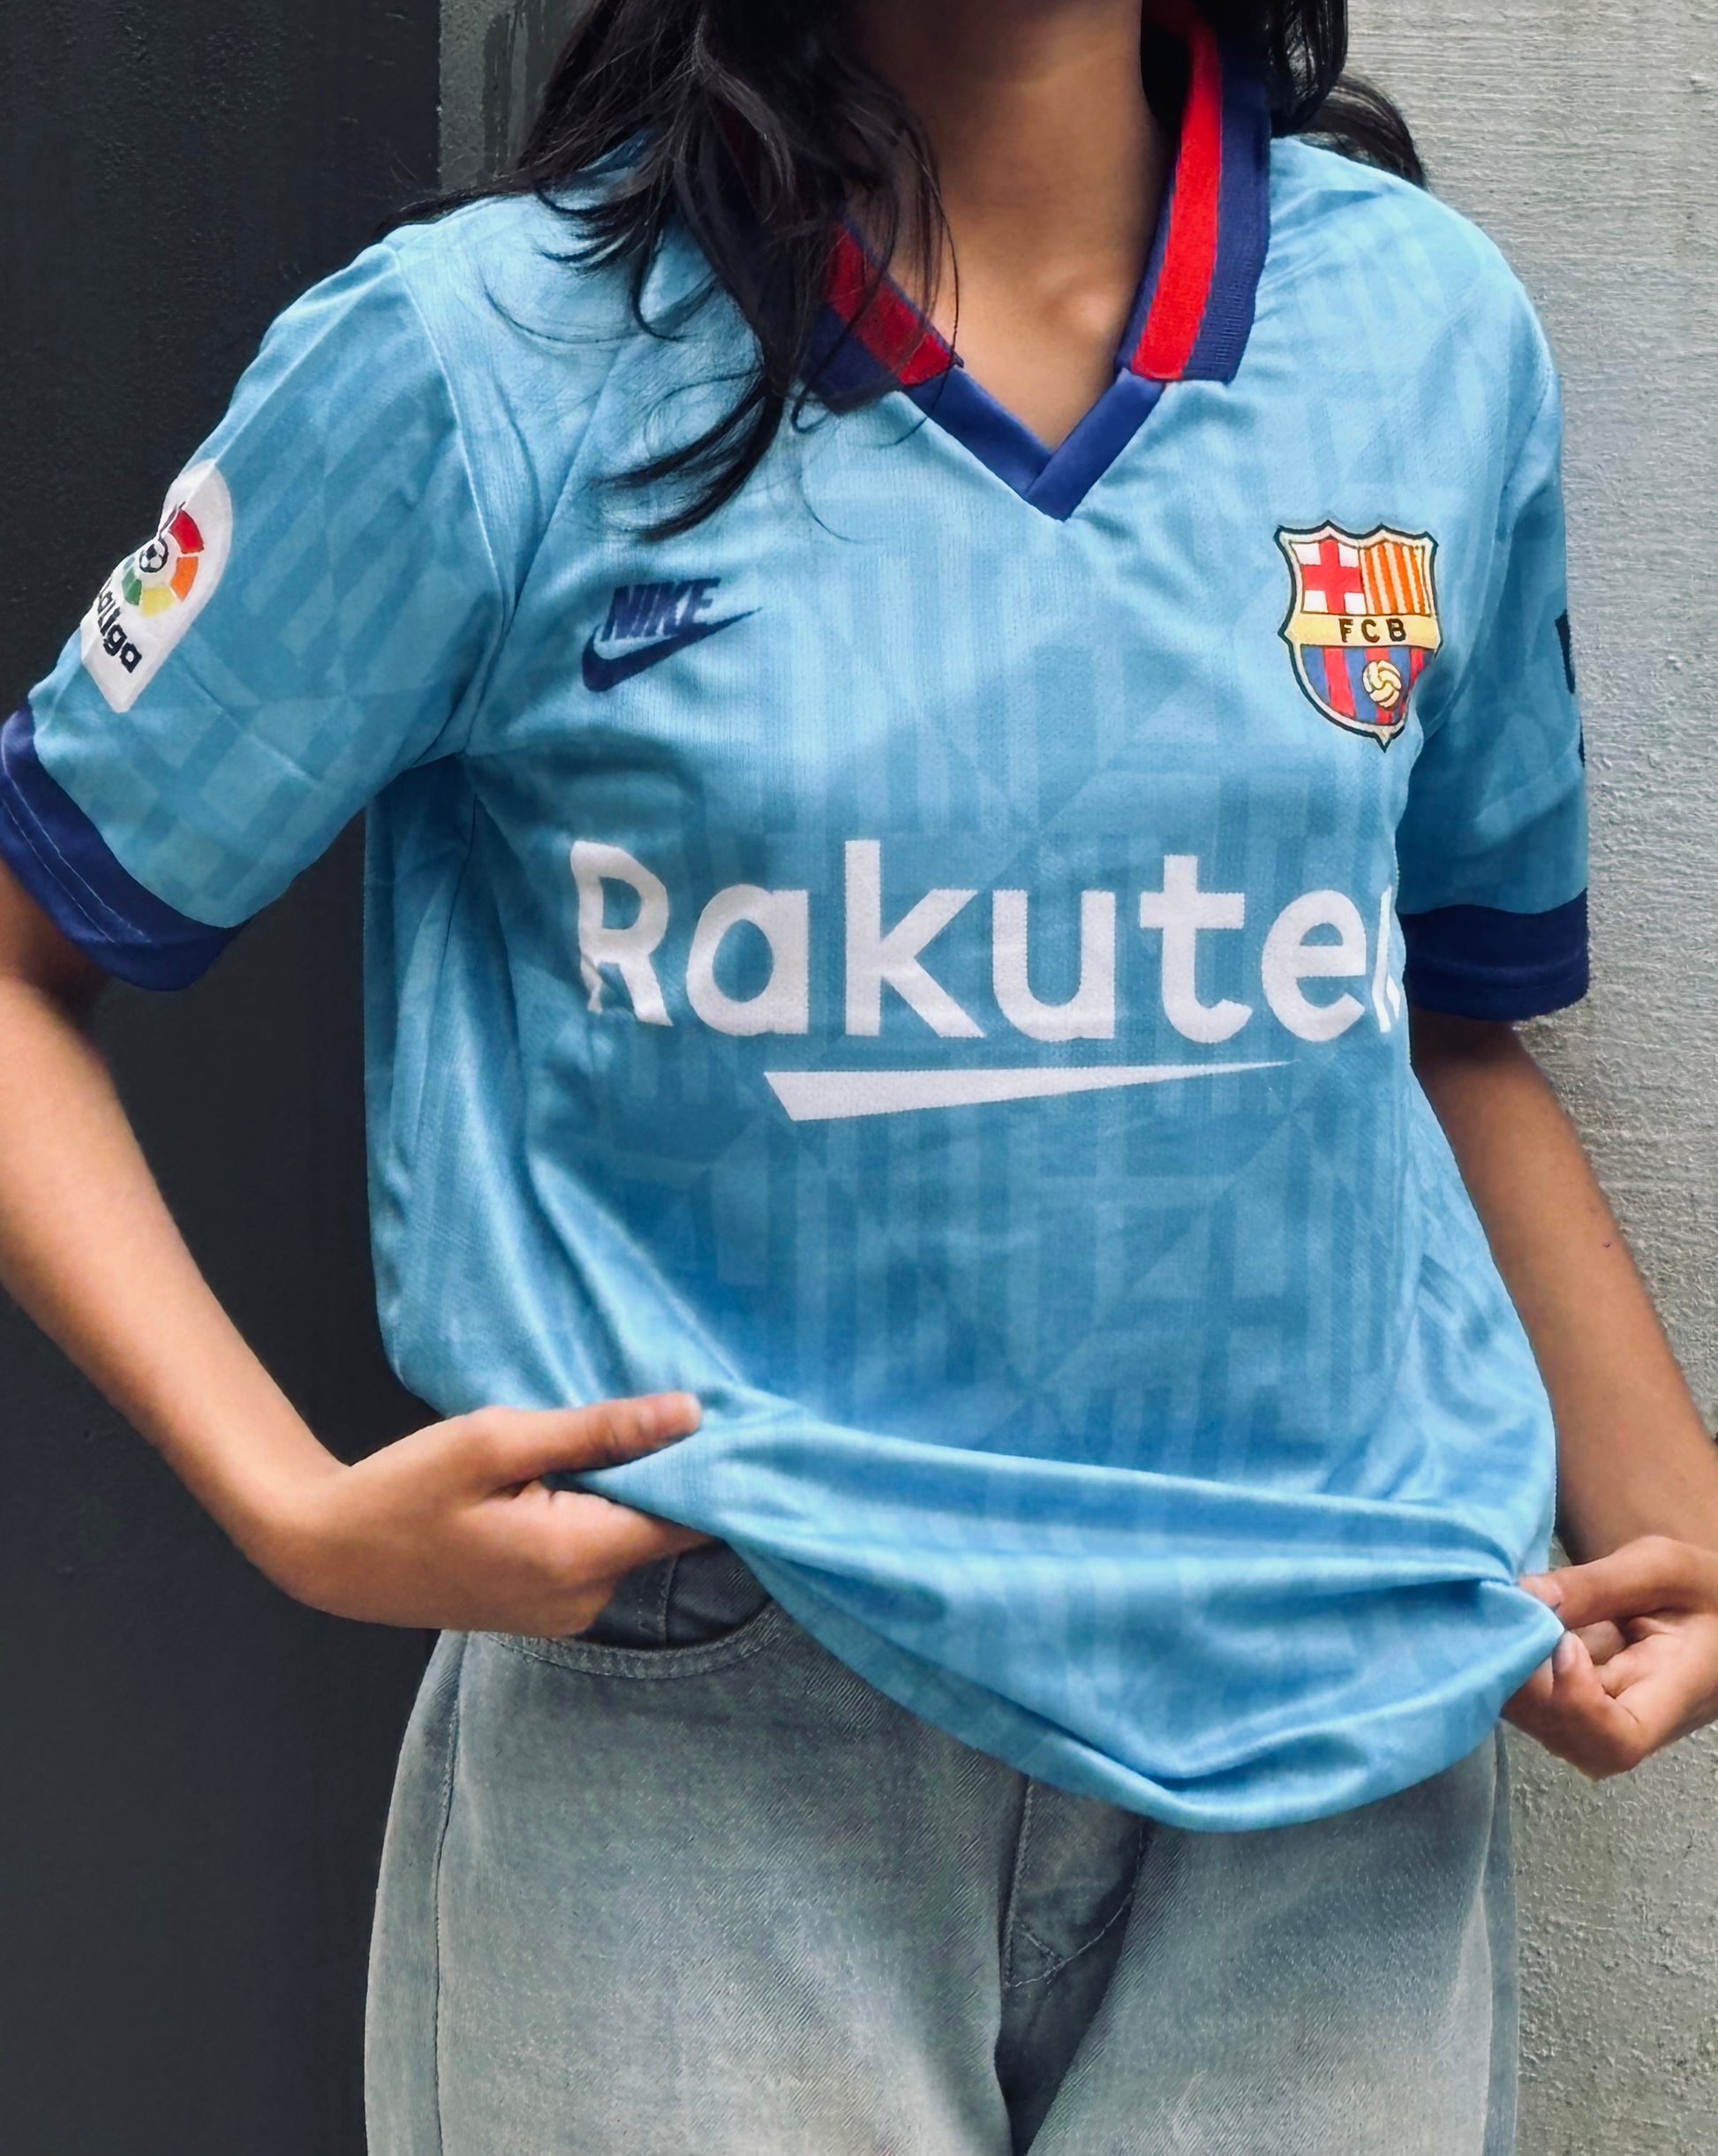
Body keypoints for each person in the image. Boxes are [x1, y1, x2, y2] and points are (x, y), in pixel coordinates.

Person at [3, 0, 1716, 2148]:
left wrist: (1676, 1523)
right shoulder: (478, 360)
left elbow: (1439, 1013)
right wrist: (290, 1508)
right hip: (703, 1724)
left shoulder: (1428, 333)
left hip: (1337, 1743)